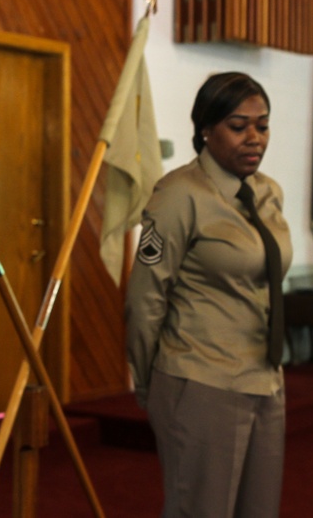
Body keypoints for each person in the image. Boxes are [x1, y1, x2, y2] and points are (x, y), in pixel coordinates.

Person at [125, 71, 292, 518]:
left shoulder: (267, 192)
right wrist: (150, 383)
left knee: (258, 510)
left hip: (266, 378)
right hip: (202, 380)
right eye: (239, 126)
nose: (254, 138)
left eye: (263, 125)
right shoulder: (179, 194)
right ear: (205, 128)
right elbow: (145, 299)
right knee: (200, 510)